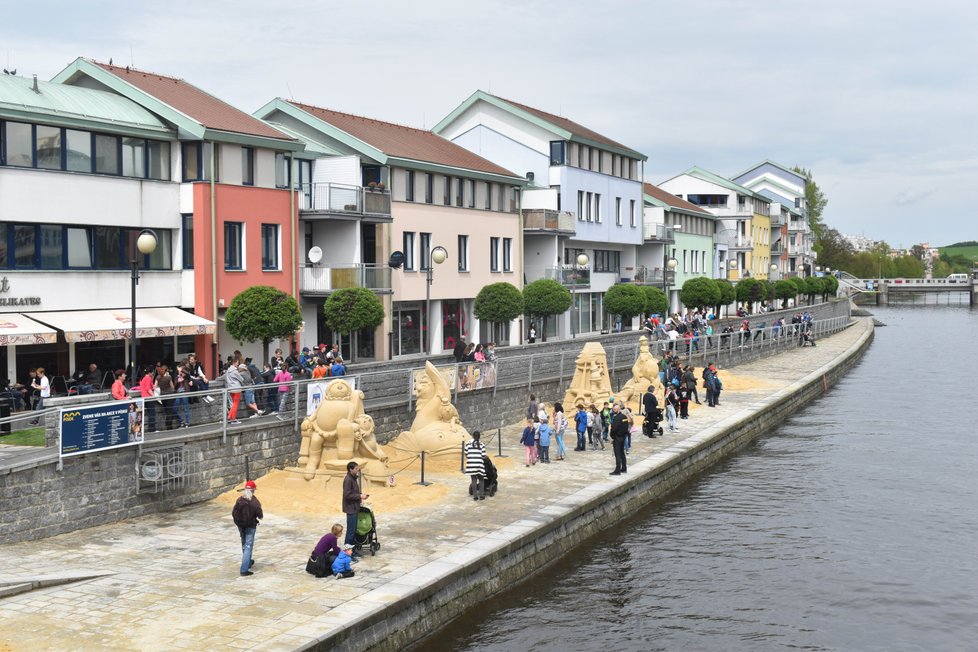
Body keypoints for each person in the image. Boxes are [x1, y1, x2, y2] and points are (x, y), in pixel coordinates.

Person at [231, 479, 263, 576]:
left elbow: (233, 512)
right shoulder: (255, 502)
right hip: (250, 526)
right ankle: (244, 569)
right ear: (253, 490)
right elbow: (260, 515)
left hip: (240, 525)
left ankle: (248, 561)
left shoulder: (240, 499)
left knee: (244, 543)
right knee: (248, 546)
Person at [342, 461, 368, 556]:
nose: (357, 470)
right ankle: (347, 552)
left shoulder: (353, 478)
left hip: (354, 507)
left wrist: (360, 495)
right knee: (350, 532)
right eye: (356, 469)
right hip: (351, 508)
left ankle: (352, 550)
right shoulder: (348, 479)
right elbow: (347, 495)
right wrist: (359, 496)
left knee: (353, 532)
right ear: (351, 469)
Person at [464, 430, 488, 500]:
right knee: (481, 479)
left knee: (473, 480)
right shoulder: (482, 445)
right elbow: (483, 455)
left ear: (473, 436)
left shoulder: (468, 444)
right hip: (479, 464)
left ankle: (475, 496)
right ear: (479, 437)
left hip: (471, 464)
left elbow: (466, 453)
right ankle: (481, 495)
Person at [609, 403, 629, 475]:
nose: (613, 410)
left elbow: (614, 428)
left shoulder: (617, 418)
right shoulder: (624, 417)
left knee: (617, 454)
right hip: (623, 437)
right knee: (622, 453)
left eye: (614, 409)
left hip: (617, 437)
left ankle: (617, 470)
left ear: (617, 409)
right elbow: (627, 427)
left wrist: (612, 436)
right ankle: (624, 468)